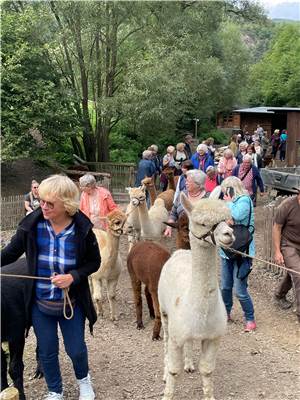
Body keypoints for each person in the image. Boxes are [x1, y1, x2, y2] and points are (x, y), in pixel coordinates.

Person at [1, 174, 101, 400]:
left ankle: (84, 381)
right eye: (41, 201)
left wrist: (73, 277)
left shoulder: (82, 230)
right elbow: (10, 253)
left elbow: (95, 262)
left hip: (71, 303)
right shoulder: (32, 226)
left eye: (49, 203)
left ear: (66, 205)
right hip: (40, 303)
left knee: (75, 349)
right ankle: (55, 390)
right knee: (47, 352)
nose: (42, 206)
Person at [219, 176, 256, 332]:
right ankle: (225, 313)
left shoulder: (245, 200)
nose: (223, 194)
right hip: (226, 250)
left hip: (242, 252)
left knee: (240, 290)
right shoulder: (232, 202)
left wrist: (227, 208)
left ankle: (250, 318)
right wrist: (228, 216)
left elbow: (237, 215)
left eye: (225, 191)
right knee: (226, 286)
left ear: (230, 189)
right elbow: (224, 217)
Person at [273, 189, 300, 323]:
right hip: (288, 244)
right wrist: (278, 251)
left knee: (293, 273)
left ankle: (279, 295)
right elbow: (277, 228)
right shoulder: (287, 205)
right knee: (298, 273)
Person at [164, 169, 207, 237]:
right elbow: (173, 213)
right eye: (185, 180)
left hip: (201, 237)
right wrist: (169, 227)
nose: (185, 183)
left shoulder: (207, 198)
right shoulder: (182, 194)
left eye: (188, 181)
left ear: (198, 184)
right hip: (183, 236)